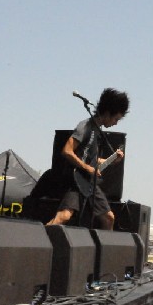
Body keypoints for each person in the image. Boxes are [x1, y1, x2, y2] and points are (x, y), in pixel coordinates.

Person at [46, 88, 129, 230]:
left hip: (88, 183)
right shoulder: (85, 126)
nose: (116, 123)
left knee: (109, 218)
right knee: (64, 216)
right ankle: (41, 240)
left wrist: (112, 160)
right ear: (108, 112)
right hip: (76, 180)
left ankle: (104, 250)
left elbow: (92, 161)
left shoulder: (97, 131)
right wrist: (87, 168)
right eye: (116, 118)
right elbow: (66, 151)